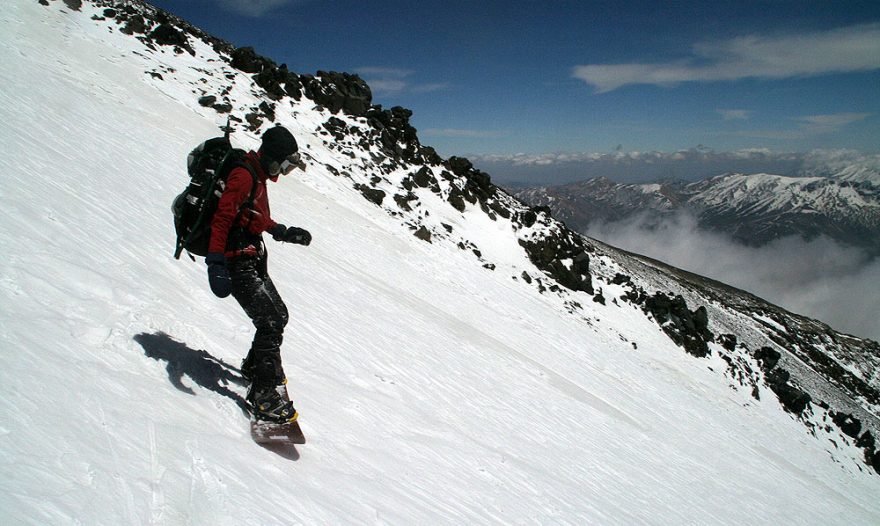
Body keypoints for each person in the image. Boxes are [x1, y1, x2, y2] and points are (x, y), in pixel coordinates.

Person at [204, 125, 311, 423]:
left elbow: (253, 214)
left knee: (280, 315)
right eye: (286, 165)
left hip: (251, 258)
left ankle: (256, 366)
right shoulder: (244, 176)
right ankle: (263, 395)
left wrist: (280, 231)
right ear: (274, 159)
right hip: (235, 261)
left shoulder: (257, 176)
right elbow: (223, 218)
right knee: (270, 321)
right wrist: (215, 262)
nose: (285, 172)